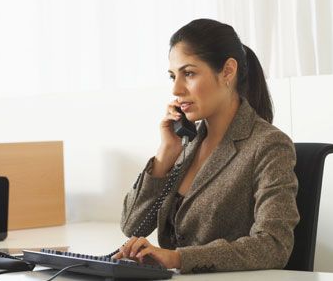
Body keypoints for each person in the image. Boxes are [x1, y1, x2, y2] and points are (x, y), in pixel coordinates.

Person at [113, 18, 300, 274]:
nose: (176, 89)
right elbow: (132, 227)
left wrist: (177, 258)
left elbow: (273, 246)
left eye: (189, 74)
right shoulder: (186, 144)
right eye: (173, 76)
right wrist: (165, 154)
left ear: (227, 72)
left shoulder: (268, 145)